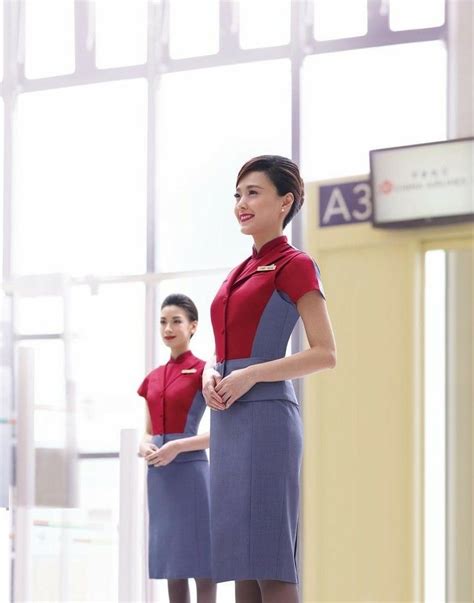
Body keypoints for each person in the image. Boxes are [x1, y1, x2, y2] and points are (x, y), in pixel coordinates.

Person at [202, 155, 337, 603]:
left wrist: (249, 376)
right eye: (238, 195)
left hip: (266, 421)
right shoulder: (236, 273)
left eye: (253, 193)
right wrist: (208, 373)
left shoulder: (295, 264)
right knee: (242, 562)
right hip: (228, 418)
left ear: (286, 202)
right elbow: (223, 350)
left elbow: (324, 353)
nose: (241, 203)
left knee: (270, 560)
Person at [137, 293, 216, 603]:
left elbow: (219, 433)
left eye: (176, 321)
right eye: (162, 322)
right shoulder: (152, 379)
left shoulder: (204, 371)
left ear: (193, 327)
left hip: (192, 474)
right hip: (160, 475)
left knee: (202, 564)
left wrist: (178, 446)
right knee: (173, 564)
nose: (167, 328)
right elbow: (148, 431)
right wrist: (145, 446)